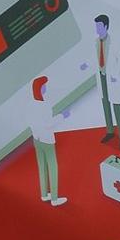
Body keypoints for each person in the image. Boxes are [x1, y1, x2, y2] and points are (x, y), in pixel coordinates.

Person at [28, 75, 68, 206]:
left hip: (36, 139)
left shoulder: (31, 105)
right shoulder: (44, 106)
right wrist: (62, 116)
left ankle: (44, 194)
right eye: (44, 86)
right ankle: (55, 199)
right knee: (52, 167)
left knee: (42, 166)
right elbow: (48, 124)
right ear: (41, 89)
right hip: (46, 140)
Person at [93, 14, 120, 151]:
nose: (97, 29)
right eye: (96, 26)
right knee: (105, 104)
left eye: (99, 26)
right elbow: (94, 58)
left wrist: (115, 74)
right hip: (101, 76)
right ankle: (110, 131)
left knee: (116, 106)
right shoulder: (96, 42)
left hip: (111, 78)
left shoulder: (113, 42)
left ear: (105, 26)